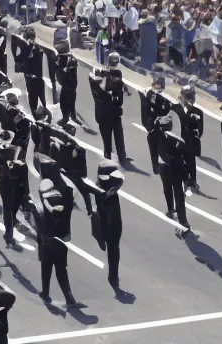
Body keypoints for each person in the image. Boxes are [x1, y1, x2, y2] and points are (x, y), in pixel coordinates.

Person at [26, 178, 77, 306]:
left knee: (46, 268)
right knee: (61, 270)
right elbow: (70, 194)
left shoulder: (39, 207)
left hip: (45, 243)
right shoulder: (63, 202)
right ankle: (69, 297)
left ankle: (45, 293)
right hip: (60, 242)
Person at [152, 116, 192, 234]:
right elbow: (183, 159)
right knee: (177, 194)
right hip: (172, 168)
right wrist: (186, 177)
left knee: (168, 189)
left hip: (163, 166)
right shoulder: (177, 141)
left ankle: (172, 211)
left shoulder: (157, 136)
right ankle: (182, 220)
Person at [92, 160, 124, 289]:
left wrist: (115, 188)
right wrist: (111, 192)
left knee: (114, 250)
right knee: (113, 250)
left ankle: (113, 275)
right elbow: (101, 200)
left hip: (115, 222)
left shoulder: (111, 184)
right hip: (108, 225)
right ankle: (113, 276)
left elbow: (119, 182)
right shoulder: (99, 189)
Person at [90, 54, 127, 162]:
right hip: (105, 111)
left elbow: (119, 90)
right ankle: (108, 155)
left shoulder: (116, 73)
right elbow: (101, 92)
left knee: (118, 134)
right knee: (108, 135)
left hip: (114, 110)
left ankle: (121, 155)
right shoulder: (102, 74)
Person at [173, 84, 203, 194]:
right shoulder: (174, 108)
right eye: (187, 96)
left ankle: (192, 181)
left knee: (191, 163)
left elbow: (199, 131)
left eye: (191, 96)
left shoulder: (198, 112)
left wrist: (192, 118)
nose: (189, 99)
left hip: (190, 143)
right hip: (177, 141)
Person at [141, 76, 172, 170]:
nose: (158, 87)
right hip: (152, 125)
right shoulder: (150, 94)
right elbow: (147, 110)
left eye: (159, 85)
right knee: (153, 146)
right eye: (156, 84)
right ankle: (156, 166)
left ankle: (164, 163)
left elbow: (166, 109)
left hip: (161, 125)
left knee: (162, 146)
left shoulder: (164, 97)